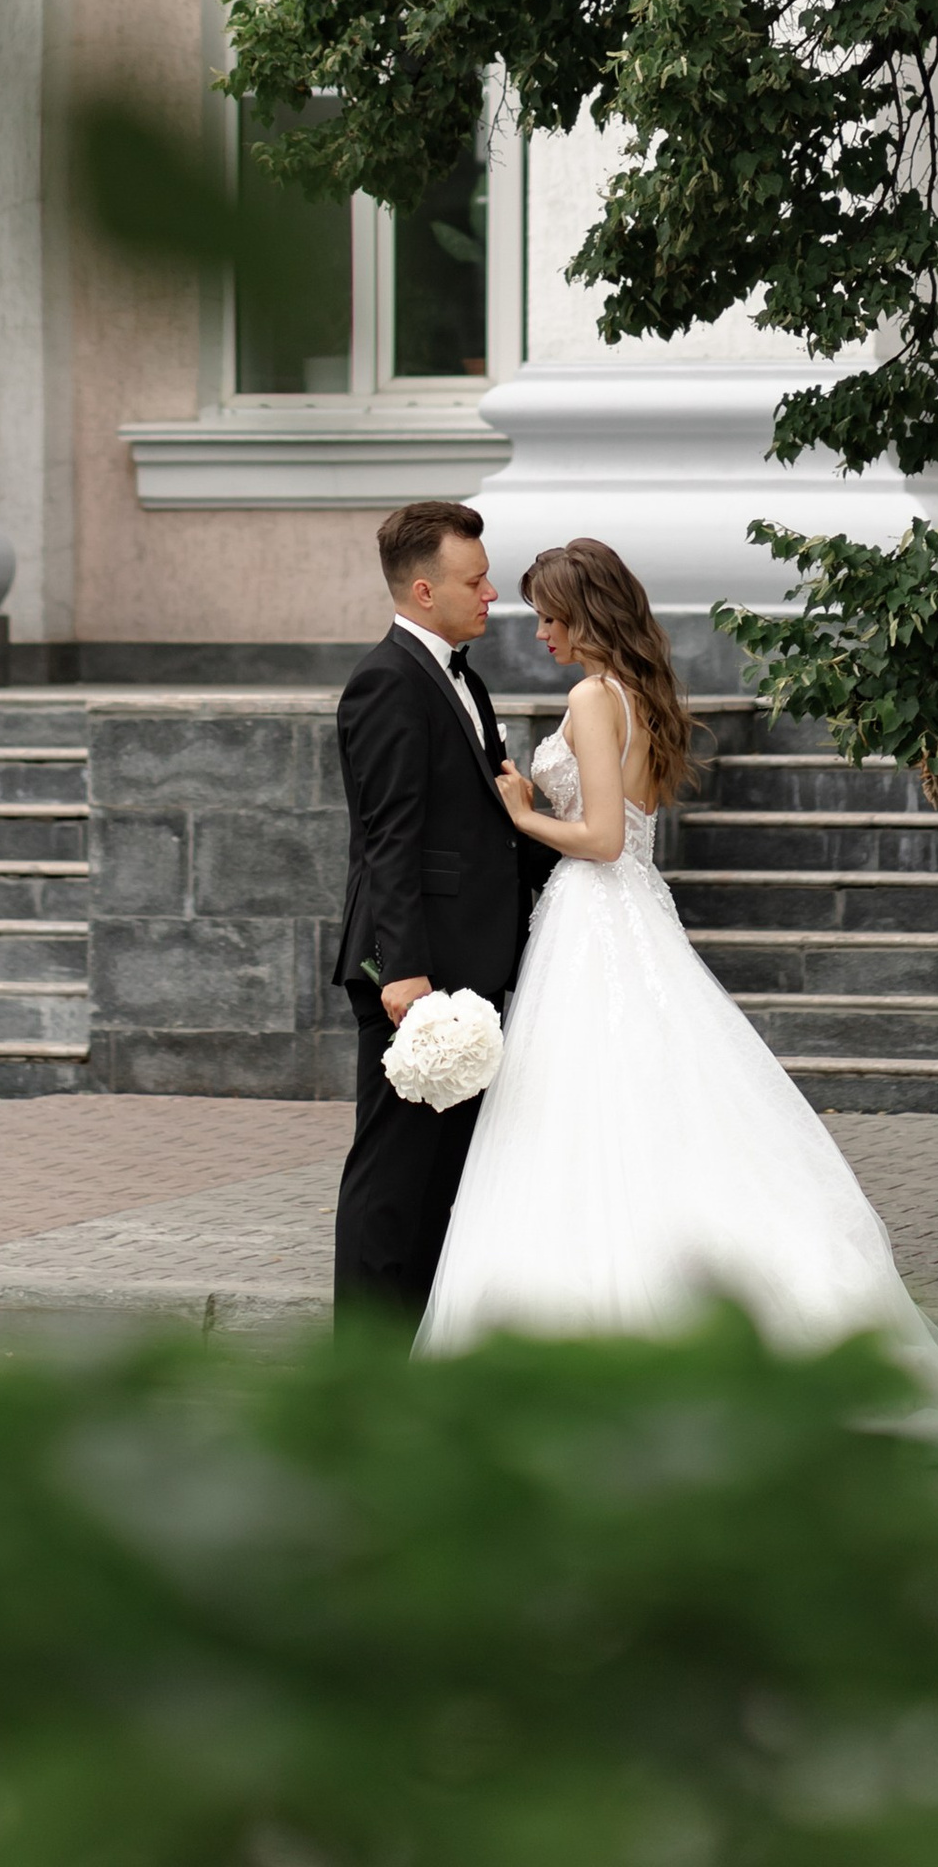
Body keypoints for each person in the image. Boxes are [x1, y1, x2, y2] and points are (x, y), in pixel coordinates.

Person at [417, 536, 938, 1452]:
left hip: (598, 916)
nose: (545, 634)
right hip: (630, 916)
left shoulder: (592, 698)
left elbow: (604, 838)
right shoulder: (642, 694)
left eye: (555, 617)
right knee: (650, 1110)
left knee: (588, 1113)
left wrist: (524, 809)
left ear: (588, 615)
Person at [331, 501, 554, 1319]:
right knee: (392, 1178)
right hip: (416, 974)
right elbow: (389, 839)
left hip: (469, 962)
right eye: (476, 579)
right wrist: (405, 973)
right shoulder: (386, 682)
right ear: (424, 591)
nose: (492, 592)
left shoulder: (465, 676)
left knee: (442, 1182)